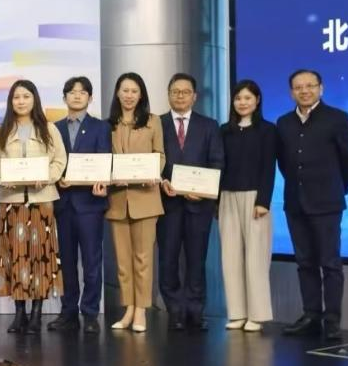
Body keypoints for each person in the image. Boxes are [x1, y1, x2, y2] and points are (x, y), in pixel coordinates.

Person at [277, 69, 348, 340]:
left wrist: (338, 188)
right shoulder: (284, 122)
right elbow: (285, 164)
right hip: (295, 203)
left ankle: (332, 320)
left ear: (321, 88)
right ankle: (311, 315)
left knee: (330, 263)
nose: (304, 91)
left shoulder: (338, 118)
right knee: (305, 263)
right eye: (298, 87)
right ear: (291, 92)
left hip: (327, 203)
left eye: (310, 86)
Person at [0, 79, 67, 335]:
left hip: (41, 201)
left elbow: (59, 161)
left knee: (40, 257)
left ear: (34, 99)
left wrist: (47, 177)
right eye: (16, 97)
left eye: (26, 96)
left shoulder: (49, 129)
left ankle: (36, 314)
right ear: (10, 102)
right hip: (11, 203)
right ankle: (19, 313)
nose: (21, 101)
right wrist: (3, 178)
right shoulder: (1, 131)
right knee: (15, 257)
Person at [158, 73, 224, 332]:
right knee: (168, 260)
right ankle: (175, 310)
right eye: (175, 91)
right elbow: (152, 159)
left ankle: (195, 311)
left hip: (199, 206)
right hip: (168, 204)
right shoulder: (157, 124)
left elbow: (217, 161)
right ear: (168, 94)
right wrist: (162, 181)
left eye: (186, 92)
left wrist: (205, 191)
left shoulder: (209, 125)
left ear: (194, 96)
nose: (180, 96)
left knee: (197, 260)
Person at [48, 76, 110, 334]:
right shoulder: (54, 128)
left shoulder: (101, 127)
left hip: (90, 203)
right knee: (66, 261)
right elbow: (51, 161)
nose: (77, 96)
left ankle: (91, 312)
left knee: (92, 262)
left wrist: (103, 182)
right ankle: (68, 311)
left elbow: (105, 159)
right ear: (64, 97)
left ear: (90, 98)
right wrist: (57, 179)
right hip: (63, 203)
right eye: (72, 92)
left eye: (82, 92)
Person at [106, 72, 165, 333]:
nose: (129, 95)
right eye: (125, 90)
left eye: (134, 91)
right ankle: (128, 307)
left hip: (146, 198)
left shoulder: (153, 121)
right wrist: (109, 176)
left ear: (141, 95)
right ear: (117, 93)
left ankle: (141, 309)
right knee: (123, 261)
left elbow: (159, 155)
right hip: (118, 200)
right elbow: (104, 159)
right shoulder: (108, 125)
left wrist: (153, 172)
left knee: (143, 258)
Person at [219, 79, 277, 333]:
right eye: (238, 98)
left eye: (247, 98)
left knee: (256, 258)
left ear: (257, 100)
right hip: (227, 196)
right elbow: (218, 166)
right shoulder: (224, 131)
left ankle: (257, 314)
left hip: (255, 199)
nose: (242, 102)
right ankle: (237, 313)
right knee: (230, 257)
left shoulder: (268, 130)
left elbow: (269, 168)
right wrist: (216, 201)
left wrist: (264, 200)